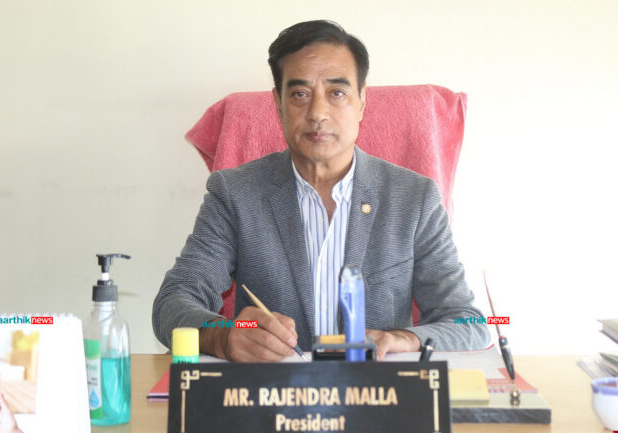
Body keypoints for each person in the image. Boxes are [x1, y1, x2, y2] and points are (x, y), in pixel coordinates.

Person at [153, 20, 489, 362]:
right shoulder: (235, 193)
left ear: (362, 102)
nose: (317, 113)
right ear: (278, 104)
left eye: (336, 93)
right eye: (299, 94)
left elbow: (470, 322)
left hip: (376, 389)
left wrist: (403, 339)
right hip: (273, 390)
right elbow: (173, 302)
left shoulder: (415, 198)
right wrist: (224, 335)